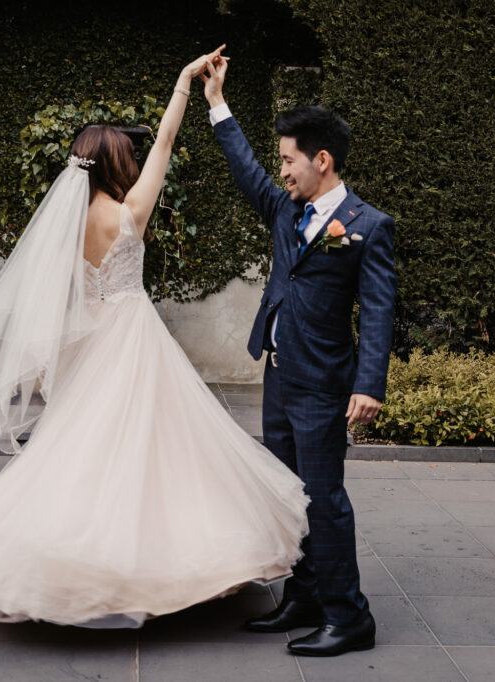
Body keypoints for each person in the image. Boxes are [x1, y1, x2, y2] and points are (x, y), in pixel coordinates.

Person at [0, 46, 309, 629]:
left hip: (93, 341)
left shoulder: (69, 224)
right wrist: (184, 85)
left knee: (83, 451)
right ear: (113, 165)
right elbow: (164, 145)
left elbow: (61, 301)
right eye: (125, 155)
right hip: (131, 340)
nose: (135, 159)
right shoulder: (129, 213)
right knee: (154, 451)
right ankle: (142, 562)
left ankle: (74, 555)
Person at [201, 56, 397, 656]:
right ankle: (304, 597)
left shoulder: (368, 226)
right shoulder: (287, 210)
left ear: (322, 161)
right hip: (280, 378)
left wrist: (369, 385)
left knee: (324, 499)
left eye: (288, 159)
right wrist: (216, 103)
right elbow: (245, 171)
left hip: (324, 385)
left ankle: (349, 617)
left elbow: (381, 309)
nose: (280, 170)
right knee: (288, 495)